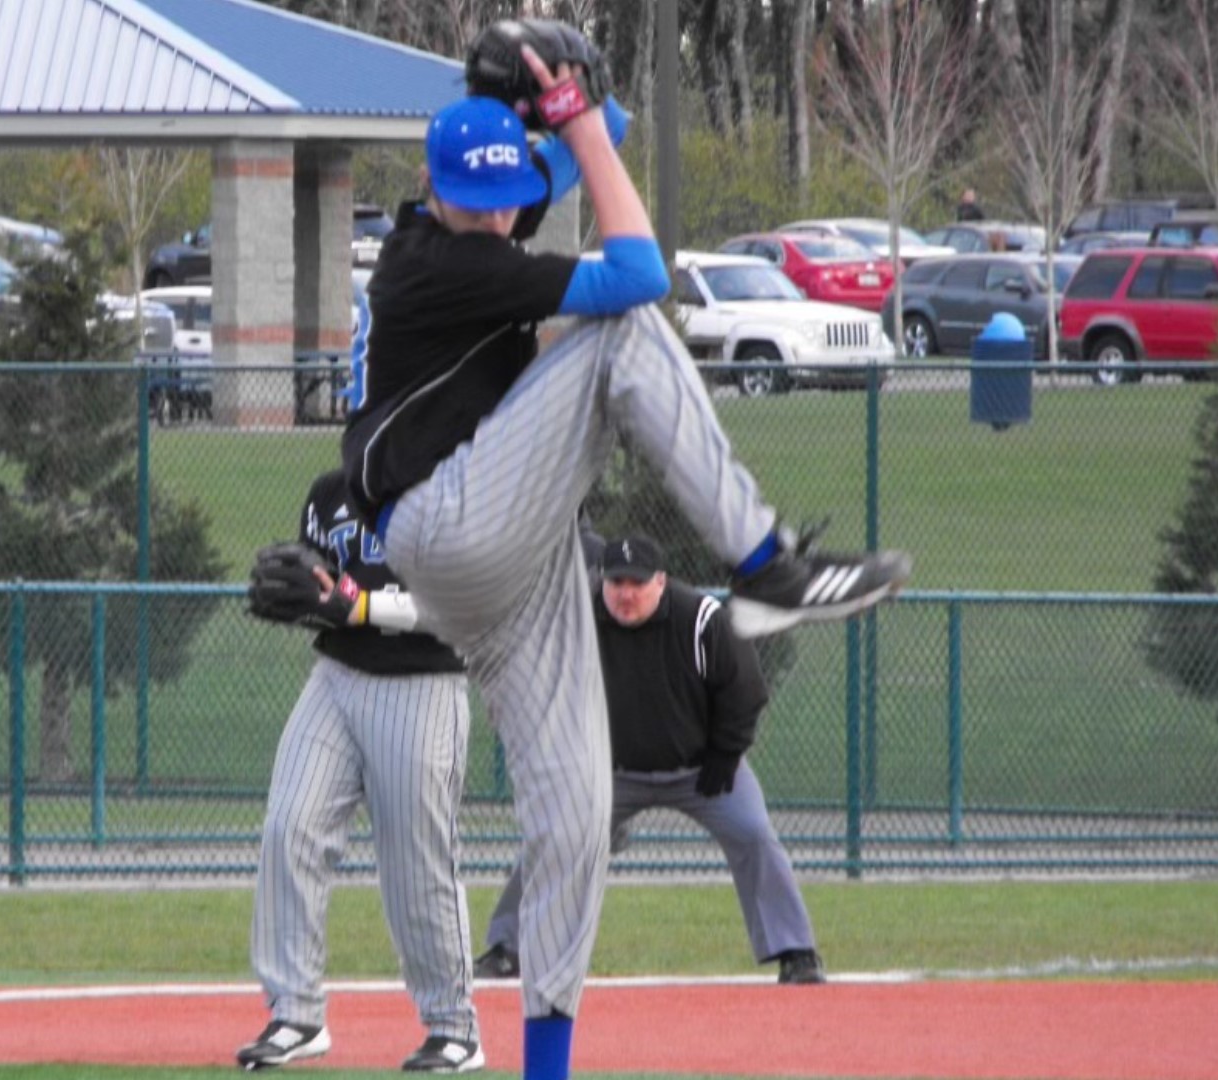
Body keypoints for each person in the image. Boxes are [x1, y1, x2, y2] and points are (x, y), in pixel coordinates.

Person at [337, 28, 908, 1080]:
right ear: (431, 186)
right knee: (627, 328)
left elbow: (586, 148)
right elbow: (638, 263)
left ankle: (546, 1071)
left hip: (502, 554)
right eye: (479, 193)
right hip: (452, 518)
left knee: (573, 817)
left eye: (505, 191)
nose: (497, 211)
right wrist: (577, 124)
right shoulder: (448, 265)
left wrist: (538, 105)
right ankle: (760, 560)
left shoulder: (468, 221)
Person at [471, 533, 825, 987]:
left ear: (661, 581)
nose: (626, 593)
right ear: (601, 581)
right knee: (555, 836)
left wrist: (725, 752)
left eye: (637, 583)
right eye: (616, 581)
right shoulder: (576, 620)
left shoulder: (700, 620)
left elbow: (746, 691)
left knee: (754, 834)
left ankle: (796, 951)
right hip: (610, 772)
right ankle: (508, 947)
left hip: (703, 768)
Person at [236, 469, 484, 1074]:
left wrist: (358, 605)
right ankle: (295, 1012)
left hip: (423, 685)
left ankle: (454, 1028)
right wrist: (298, 601)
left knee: (416, 862)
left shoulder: (453, 489)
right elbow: (324, 591)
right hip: (336, 678)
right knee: (289, 828)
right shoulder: (329, 492)